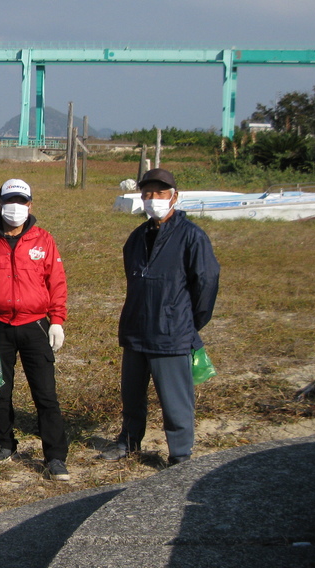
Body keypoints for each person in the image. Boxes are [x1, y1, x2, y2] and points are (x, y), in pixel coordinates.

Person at [101, 168, 220, 465]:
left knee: (175, 401)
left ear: (175, 197)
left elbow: (205, 282)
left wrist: (187, 321)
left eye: (161, 193)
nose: (155, 199)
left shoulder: (192, 237)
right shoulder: (137, 237)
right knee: (132, 396)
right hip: (136, 328)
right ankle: (128, 442)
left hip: (172, 333)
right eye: (149, 194)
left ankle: (180, 454)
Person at [0, 178, 70, 482]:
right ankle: (4, 443)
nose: (15, 207)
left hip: (35, 325)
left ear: (30, 205)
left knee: (46, 394)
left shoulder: (44, 240)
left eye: (22, 201)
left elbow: (57, 283)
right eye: (9, 201)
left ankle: (54, 456)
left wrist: (57, 320)